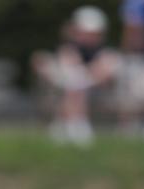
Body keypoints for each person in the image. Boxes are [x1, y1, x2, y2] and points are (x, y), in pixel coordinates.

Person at [32, 6, 121, 145]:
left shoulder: (106, 54)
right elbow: (63, 73)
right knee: (72, 86)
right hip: (71, 89)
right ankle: (75, 126)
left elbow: (103, 76)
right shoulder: (69, 50)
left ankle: (72, 126)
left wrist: (81, 79)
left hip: (94, 92)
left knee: (75, 87)